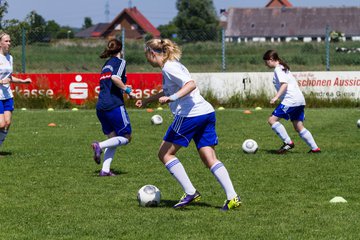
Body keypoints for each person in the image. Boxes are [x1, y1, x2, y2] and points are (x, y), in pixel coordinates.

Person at [136, 38, 241, 211]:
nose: (147, 60)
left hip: (189, 116)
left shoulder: (169, 67)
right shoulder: (172, 64)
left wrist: (172, 98)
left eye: (147, 56)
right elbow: (170, 89)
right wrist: (148, 100)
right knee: (210, 158)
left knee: (164, 154)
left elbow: (190, 84)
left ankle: (190, 191)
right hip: (206, 112)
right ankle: (232, 197)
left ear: (152, 53)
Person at [91, 38, 135, 176]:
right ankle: (100, 146)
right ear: (121, 50)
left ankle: (105, 170)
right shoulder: (120, 62)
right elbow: (115, 78)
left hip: (101, 107)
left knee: (113, 139)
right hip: (113, 105)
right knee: (127, 137)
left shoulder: (106, 64)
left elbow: (112, 83)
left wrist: (124, 87)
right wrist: (129, 92)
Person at [263, 49, 321, 154]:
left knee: (272, 120)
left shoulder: (278, 69)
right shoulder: (283, 67)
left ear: (271, 59)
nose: (266, 64)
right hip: (300, 100)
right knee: (298, 126)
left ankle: (288, 143)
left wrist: (276, 97)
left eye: (266, 61)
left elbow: (284, 84)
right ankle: (315, 149)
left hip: (291, 100)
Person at [0, 32, 32, 148]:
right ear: (0, 43)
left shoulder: (10, 58)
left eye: (10, 41)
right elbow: (3, 80)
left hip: (7, 95)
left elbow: (9, 77)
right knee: (1, 123)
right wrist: (1, 81)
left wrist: (23, 81)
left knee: (7, 123)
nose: (9, 43)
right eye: (6, 41)